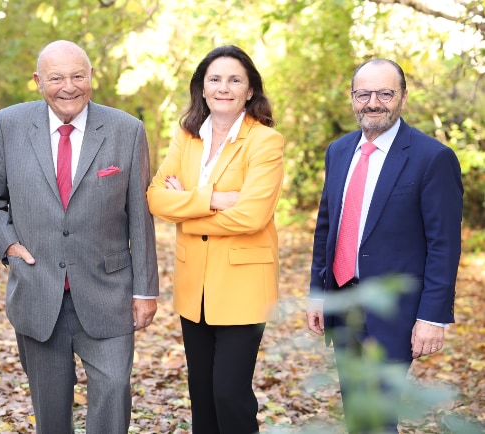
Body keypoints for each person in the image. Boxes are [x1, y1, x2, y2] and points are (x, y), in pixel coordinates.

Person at [0, 40, 159, 433]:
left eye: (78, 76)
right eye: (56, 78)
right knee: (51, 411)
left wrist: (145, 290)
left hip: (108, 292)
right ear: (39, 81)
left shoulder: (127, 130)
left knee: (112, 390)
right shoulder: (10, 124)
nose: (68, 86)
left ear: (92, 78)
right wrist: (7, 245)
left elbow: (140, 217)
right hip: (38, 292)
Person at [306, 59, 463, 432]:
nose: (373, 102)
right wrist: (318, 292)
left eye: (385, 93)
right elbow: (326, 227)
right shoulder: (339, 151)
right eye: (363, 94)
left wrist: (432, 317)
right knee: (357, 413)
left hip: (397, 312)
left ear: (403, 98)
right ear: (352, 98)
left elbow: (444, 244)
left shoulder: (432, 158)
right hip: (344, 302)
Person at [147, 45, 284, 434]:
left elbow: (253, 215)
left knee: (229, 393)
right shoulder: (186, 136)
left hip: (243, 286)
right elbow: (157, 197)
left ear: (250, 90)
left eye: (235, 79)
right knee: (202, 394)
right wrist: (215, 199)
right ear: (202, 89)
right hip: (196, 287)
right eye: (215, 79)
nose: (224, 87)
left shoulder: (265, 142)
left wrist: (186, 209)